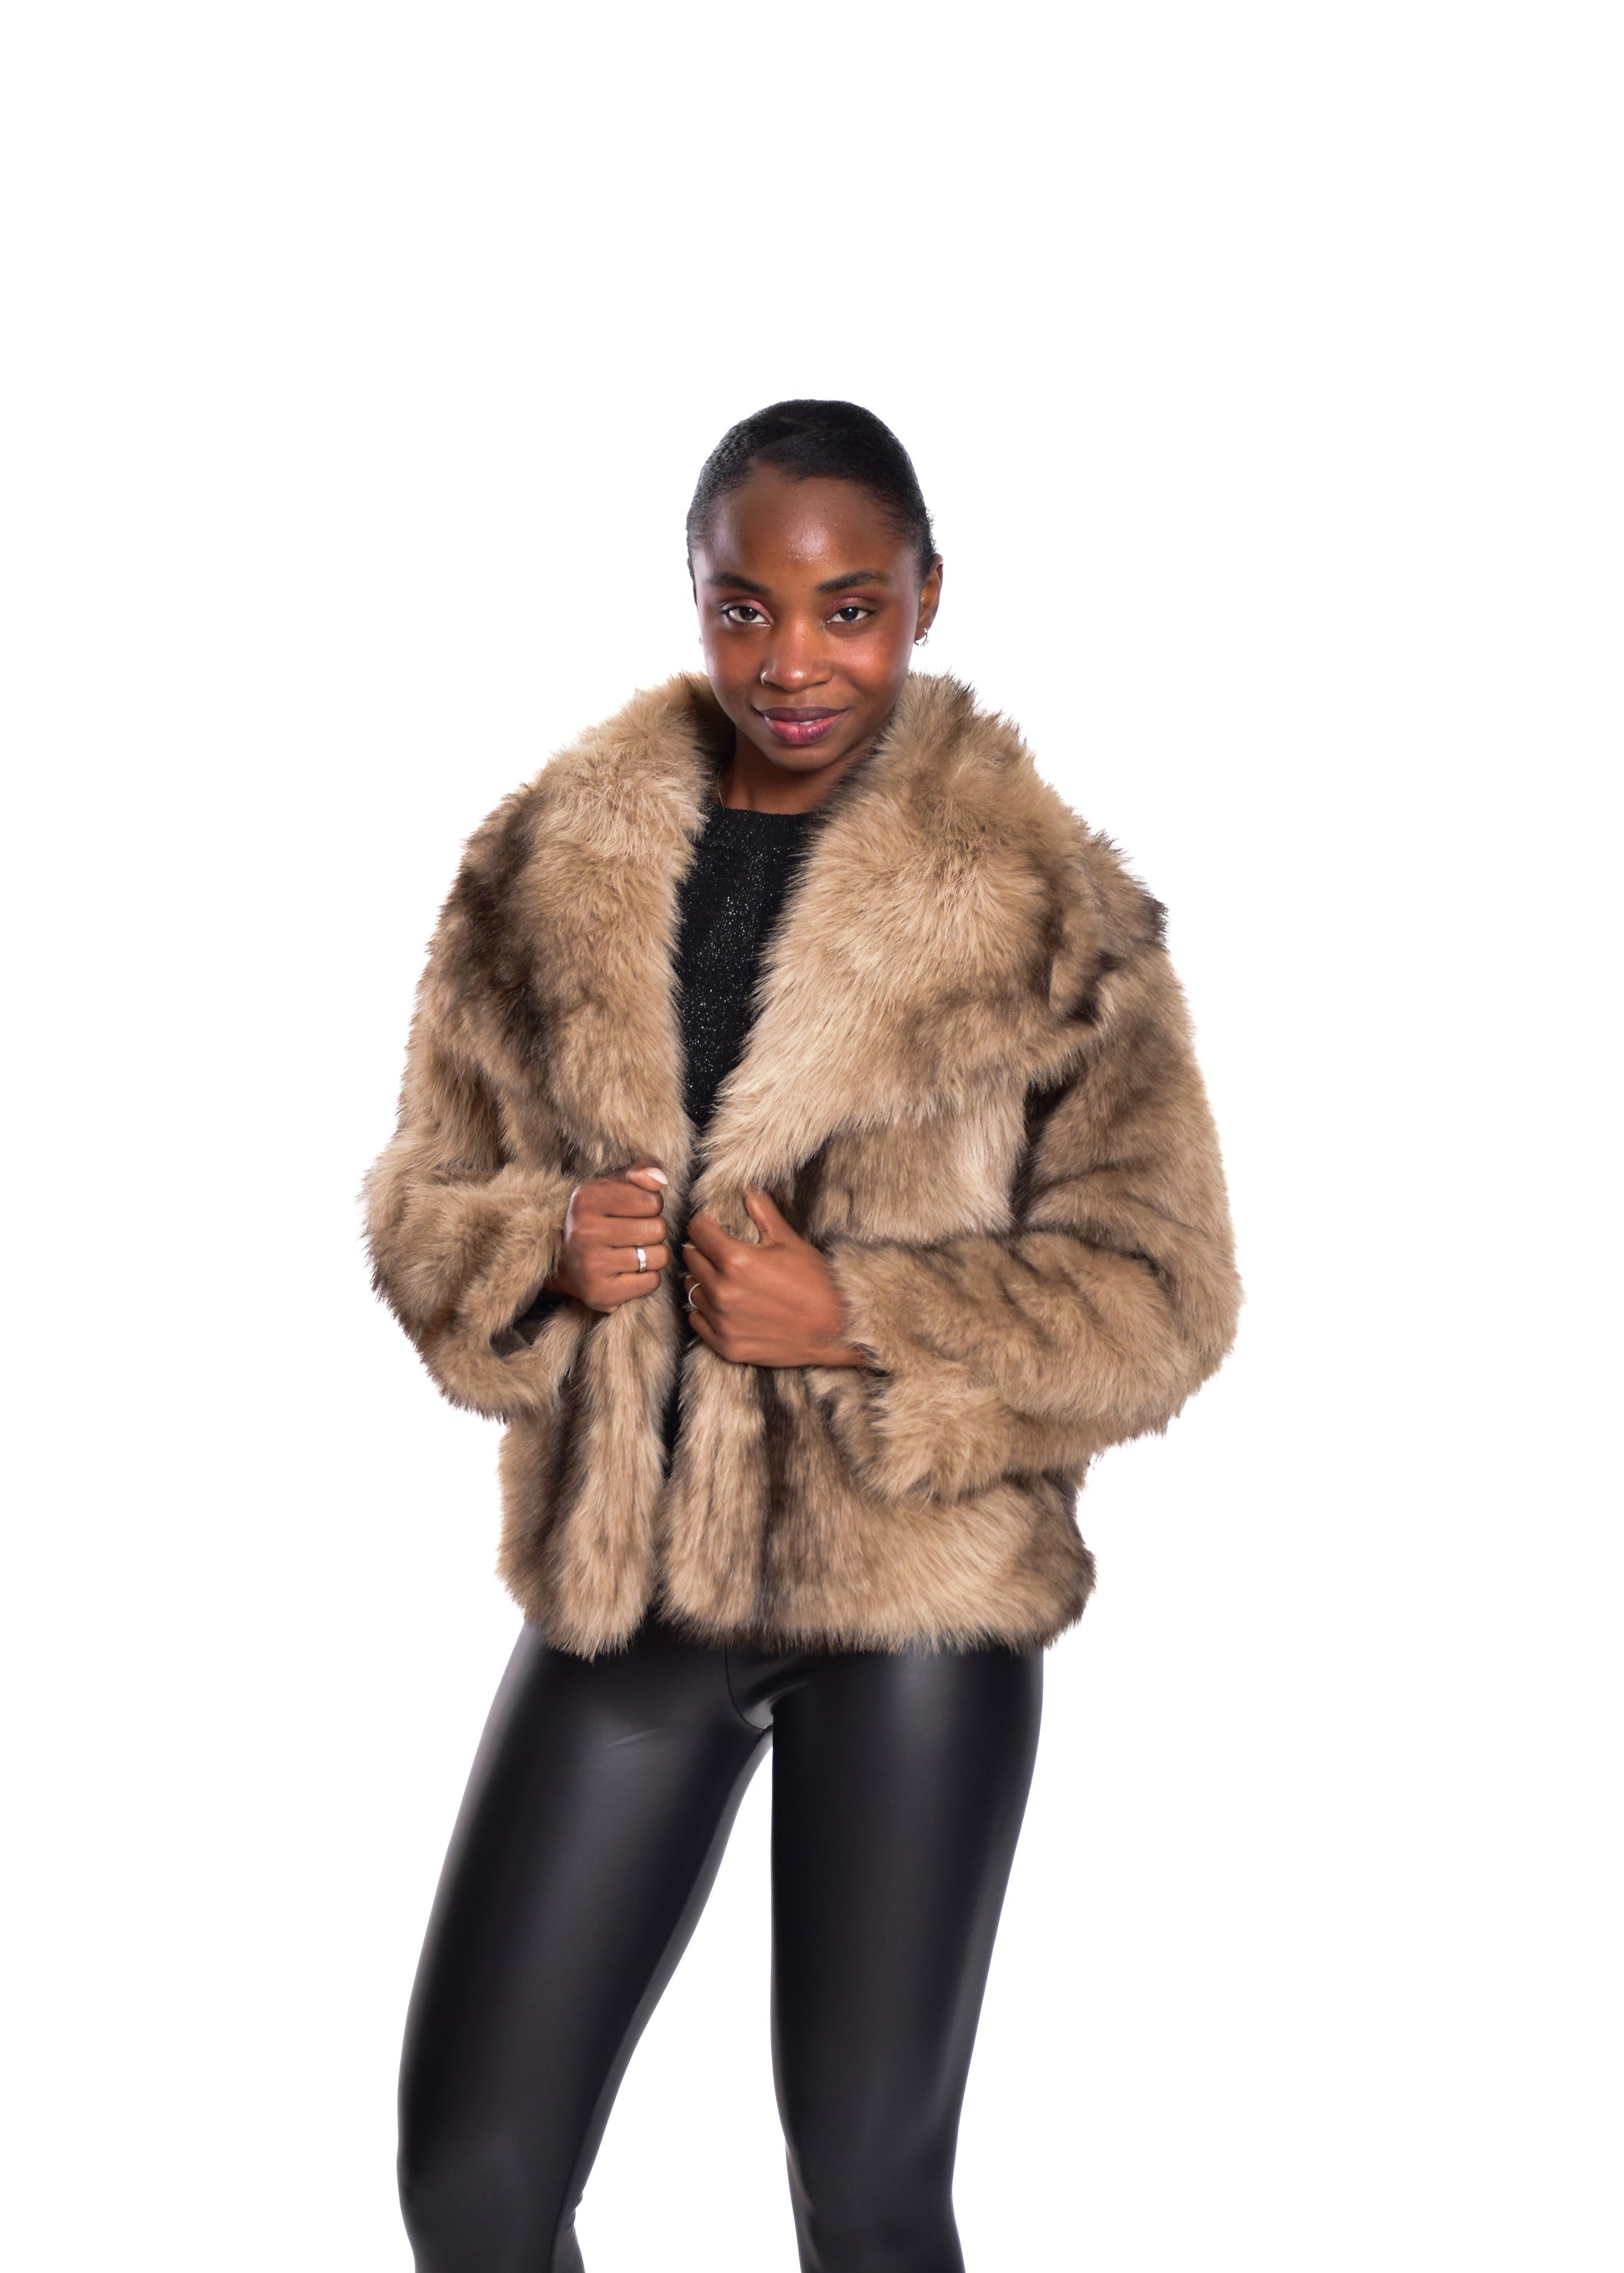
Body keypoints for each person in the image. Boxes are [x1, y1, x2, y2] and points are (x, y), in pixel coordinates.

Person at [365, 399, 1242, 2271]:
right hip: (624, 1594)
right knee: (473, 2185)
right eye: (744, 605)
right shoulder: (538, 874)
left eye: (849, 608)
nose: (793, 659)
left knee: (866, 2201)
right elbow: (425, 1207)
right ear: (692, 596)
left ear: (926, 596)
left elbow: (1165, 1297)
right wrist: (540, 1248)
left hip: (912, 1602)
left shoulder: (1049, 915)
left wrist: (855, 1314)